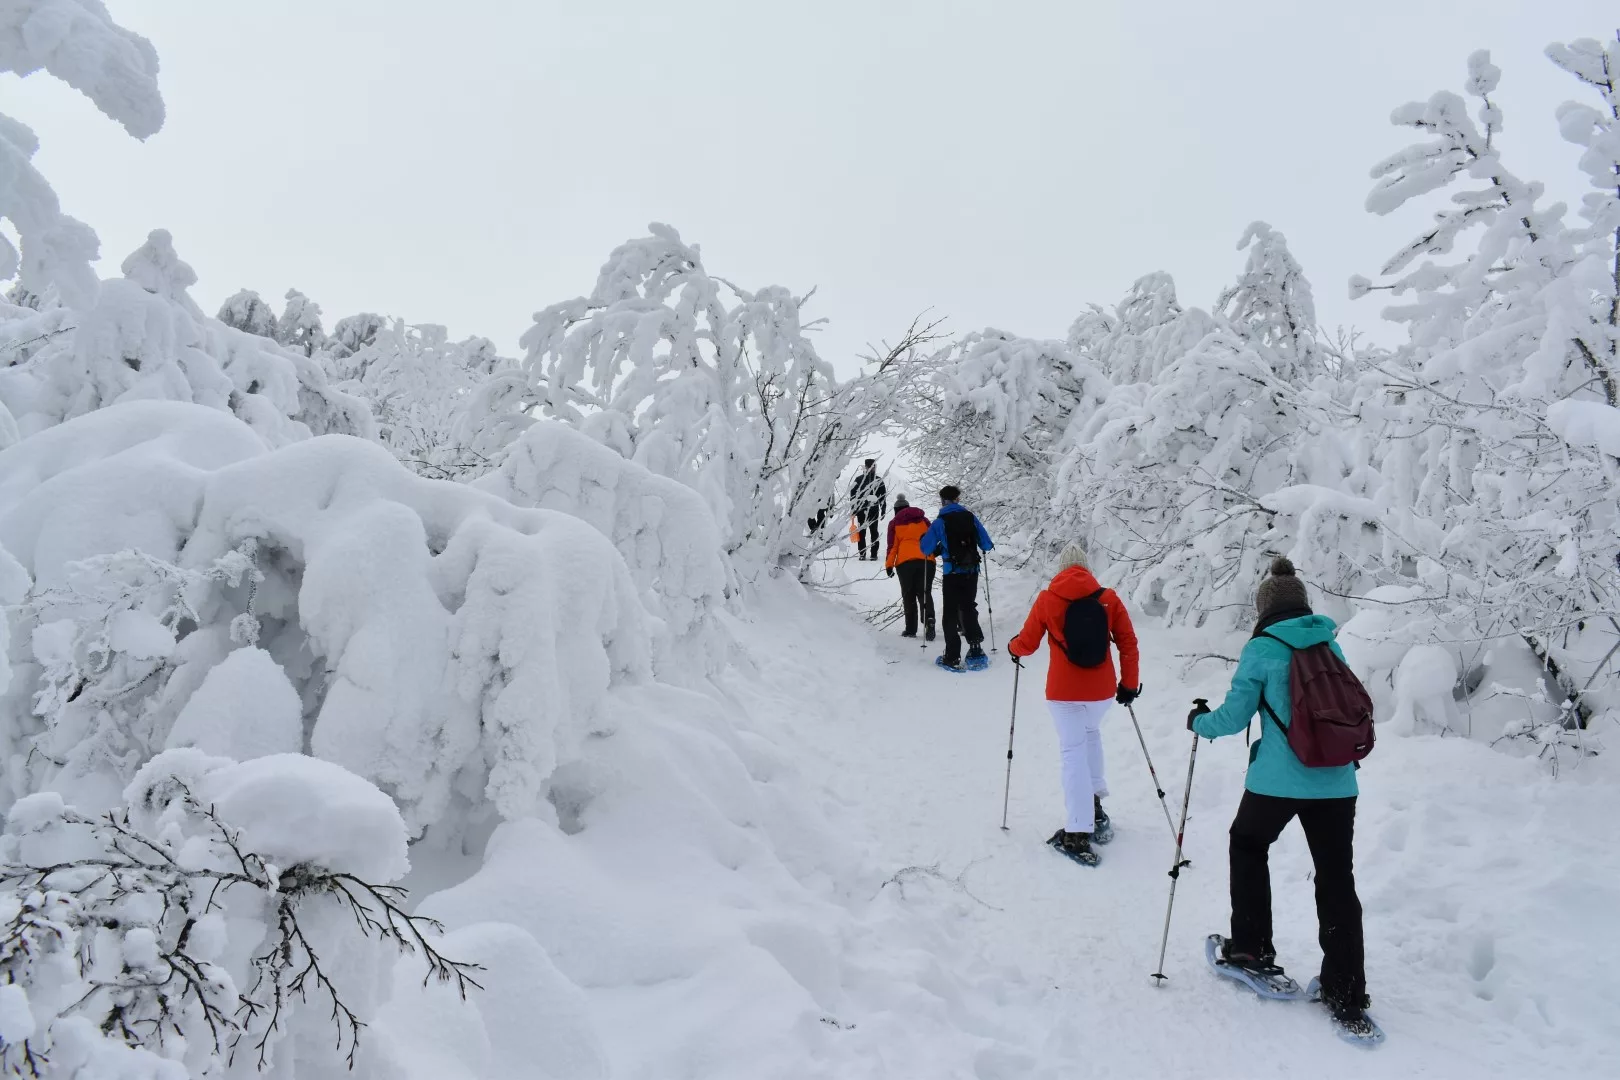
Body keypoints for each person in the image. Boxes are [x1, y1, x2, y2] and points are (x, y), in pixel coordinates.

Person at [1188, 557, 1373, 1035]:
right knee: (1337, 878)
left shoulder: (1263, 648)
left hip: (1277, 780)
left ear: (1263, 608)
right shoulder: (1329, 644)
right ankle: (1346, 989)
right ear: (1304, 603)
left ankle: (1251, 948)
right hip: (1336, 781)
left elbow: (1232, 718)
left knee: (1247, 845)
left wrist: (1197, 723)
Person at [1006, 542, 1140, 866]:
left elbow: (1027, 643)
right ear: (1086, 568)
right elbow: (1128, 642)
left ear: (1061, 569)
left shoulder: (1048, 599)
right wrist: (1129, 685)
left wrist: (1013, 648)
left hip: (1063, 694)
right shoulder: (1108, 599)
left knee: (1073, 754)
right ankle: (1096, 813)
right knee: (1091, 737)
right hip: (1102, 692)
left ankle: (1078, 833)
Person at [919, 485, 993, 670]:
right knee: (968, 607)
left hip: (952, 573)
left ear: (943, 500)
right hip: (971, 571)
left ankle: (952, 656)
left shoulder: (940, 522)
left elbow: (925, 549)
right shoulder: (970, 517)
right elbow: (986, 544)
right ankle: (975, 649)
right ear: (958, 499)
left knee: (950, 612)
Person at [884, 495, 936, 640]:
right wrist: (933, 555)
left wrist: (889, 565)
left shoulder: (894, 523)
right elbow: (932, 538)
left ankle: (911, 629)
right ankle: (929, 620)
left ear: (896, 510)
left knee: (909, 596)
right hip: (926, 560)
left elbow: (892, 546)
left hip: (905, 563)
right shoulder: (923, 520)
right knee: (925, 592)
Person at [849, 459, 887, 561]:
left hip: (873, 510)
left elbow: (883, 496)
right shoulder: (859, 480)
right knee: (862, 532)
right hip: (862, 511)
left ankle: (873, 554)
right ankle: (862, 553)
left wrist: (883, 509)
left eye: (874, 466)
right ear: (866, 467)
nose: (873, 468)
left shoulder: (878, 480)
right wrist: (853, 509)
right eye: (871, 466)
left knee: (873, 532)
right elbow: (853, 496)